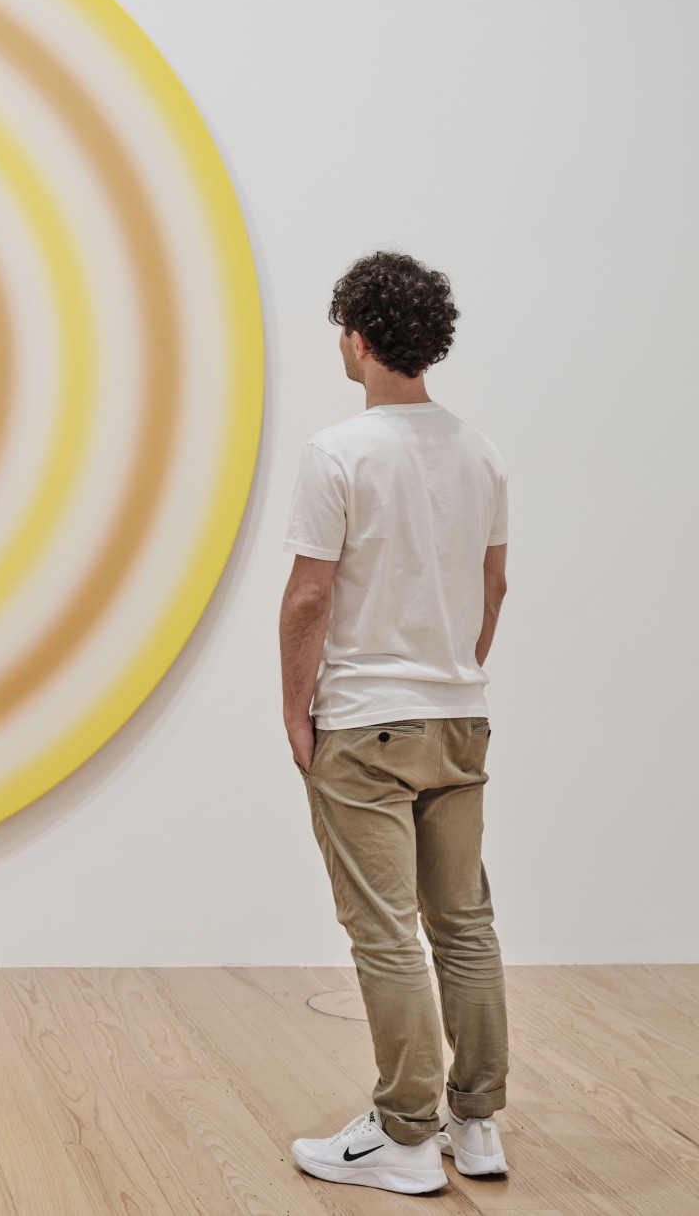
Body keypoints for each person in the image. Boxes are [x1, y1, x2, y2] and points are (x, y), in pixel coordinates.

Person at [279, 250, 512, 1195]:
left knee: (385, 934)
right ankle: (478, 1124)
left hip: (367, 726)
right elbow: (493, 586)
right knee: (465, 926)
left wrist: (297, 711)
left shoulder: (338, 453)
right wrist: (455, 675)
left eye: (343, 328)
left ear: (361, 338)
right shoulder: (479, 451)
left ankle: (406, 1140)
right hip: (459, 719)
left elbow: (307, 600)